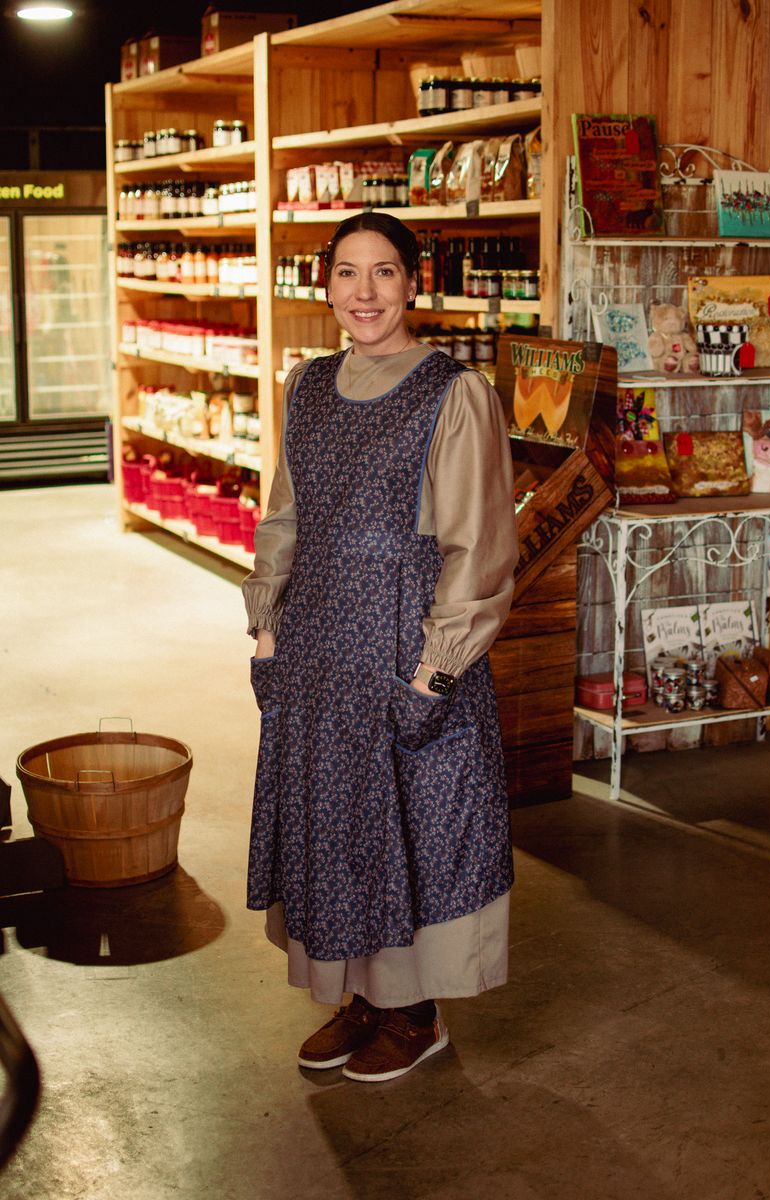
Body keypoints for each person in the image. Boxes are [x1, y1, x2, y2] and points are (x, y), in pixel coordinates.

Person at [242, 212, 518, 1083]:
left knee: (411, 828)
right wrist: (267, 626)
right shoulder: (307, 385)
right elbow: (284, 514)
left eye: (384, 273)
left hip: (405, 643)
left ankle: (415, 1014)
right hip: (319, 644)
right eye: (348, 274)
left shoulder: (454, 393)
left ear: (412, 283)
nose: (364, 293)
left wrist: (435, 672)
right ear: (325, 284)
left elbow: (477, 547)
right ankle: (360, 999)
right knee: (336, 827)